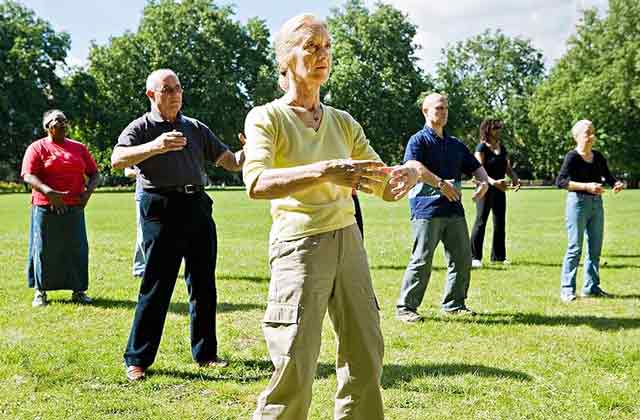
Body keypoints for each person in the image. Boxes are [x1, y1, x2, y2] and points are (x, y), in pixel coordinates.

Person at [242, 14, 417, 420]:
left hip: (348, 240)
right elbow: (256, 183)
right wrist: (323, 171)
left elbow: (380, 185)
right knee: (296, 361)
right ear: (286, 59)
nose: (323, 55)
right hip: (299, 246)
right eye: (311, 46)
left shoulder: (342, 121)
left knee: (366, 352)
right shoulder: (266, 117)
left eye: (327, 47)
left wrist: (405, 174)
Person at [111, 69, 245, 381]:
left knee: (203, 284)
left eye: (178, 88)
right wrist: (156, 146)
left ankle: (206, 353)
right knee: (157, 286)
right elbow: (117, 159)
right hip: (161, 208)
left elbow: (231, 161)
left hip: (196, 206)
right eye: (167, 89)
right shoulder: (141, 127)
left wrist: (250, 150)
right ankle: (138, 359)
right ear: (151, 95)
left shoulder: (195, 127)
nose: (174, 95)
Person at [395, 93, 490, 323]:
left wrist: (484, 182)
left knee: (462, 257)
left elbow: (475, 166)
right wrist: (440, 184)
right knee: (422, 259)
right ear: (425, 112)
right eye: (438, 108)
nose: (443, 112)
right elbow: (414, 166)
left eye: (446, 108)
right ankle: (406, 308)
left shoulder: (455, 144)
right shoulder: (418, 140)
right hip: (426, 210)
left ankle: (454, 304)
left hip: (454, 210)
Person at [21, 110, 100, 307]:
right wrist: (50, 193)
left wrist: (87, 193)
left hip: (75, 206)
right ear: (47, 126)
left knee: (77, 249)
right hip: (46, 207)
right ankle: (41, 292)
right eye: (57, 121)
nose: (62, 124)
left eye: (65, 120)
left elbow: (95, 173)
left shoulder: (79, 148)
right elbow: (28, 175)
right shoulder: (37, 148)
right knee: (44, 250)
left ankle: (79, 291)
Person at [555, 119, 624, 302]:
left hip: (596, 205)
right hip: (577, 204)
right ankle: (567, 290)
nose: (591, 135)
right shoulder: (572, 157)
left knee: (595, 249)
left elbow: (608, 176)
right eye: (587, 132)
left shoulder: (598, 156)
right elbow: (560, 182)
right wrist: (586, 187)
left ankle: (591, 287)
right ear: (577, 136)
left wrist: (615, 183)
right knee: (575, 248)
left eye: (592, 131)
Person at [470, 119, 521, 268]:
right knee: (481, 221)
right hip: (485, 188)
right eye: (495, 128)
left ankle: (498, 256)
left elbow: (507, 167)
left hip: (499, 189)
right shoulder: (481, 148)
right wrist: (493, 182)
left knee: (500, 222)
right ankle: (474, 257)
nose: (498, 130)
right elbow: (478, 170)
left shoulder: (502, 148)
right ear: (487, 130)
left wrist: (515, 178)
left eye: (499, 128)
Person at [124, 167, 145, 278]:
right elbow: (127, 171)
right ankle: (139, 268)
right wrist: (141, 171)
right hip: (142, 195)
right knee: (142, 234)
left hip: (164, 194)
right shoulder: (135, 149)